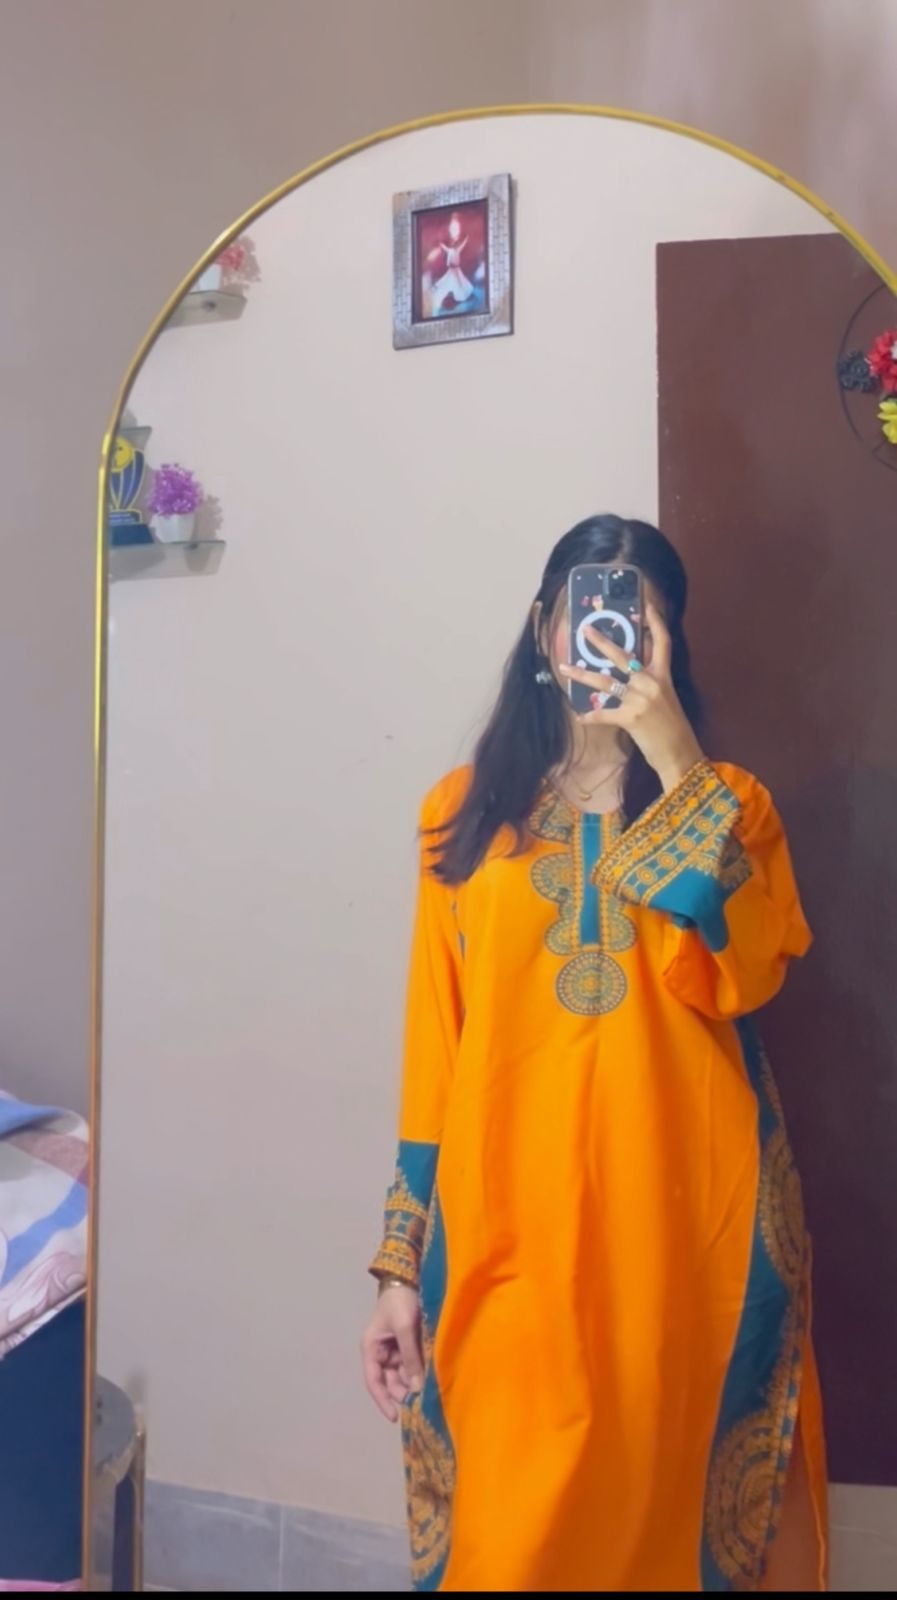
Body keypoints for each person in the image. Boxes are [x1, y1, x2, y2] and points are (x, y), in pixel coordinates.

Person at [362, 515, 828, 1592]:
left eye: (637, 620)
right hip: (503, 1241)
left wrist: (673, 754)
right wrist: (396, 1266)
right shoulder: (459, 816)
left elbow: (746, 973)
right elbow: (436, 1043)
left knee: (662, 1528)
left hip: (683, 1245)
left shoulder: (732, 804)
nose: (607, 636)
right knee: (508, 1542)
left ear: (669, 644)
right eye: (587, 610)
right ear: (543, 628)